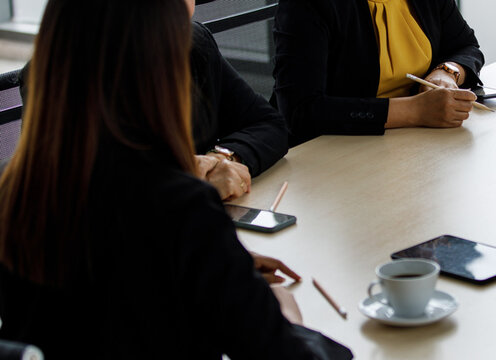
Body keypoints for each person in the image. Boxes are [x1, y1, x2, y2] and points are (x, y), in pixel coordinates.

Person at [0, 0, 352, 358]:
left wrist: (224, 265)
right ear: (161, 63)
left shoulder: (17, 196)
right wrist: (286, 317)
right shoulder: (179, 210)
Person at [15, 0, 289, 201]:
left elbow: (269, 124)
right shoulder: (57, 76)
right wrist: (179, 175)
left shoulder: (192, 45)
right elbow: (68, 190)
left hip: (191, 232)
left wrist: (222, 158)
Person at [270, 0, 485, 146]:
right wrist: (415, 110)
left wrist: (446, 72)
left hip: (412, 144)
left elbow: (466, 46)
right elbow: (301, 111)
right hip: (332, 152)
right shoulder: (307, 4)